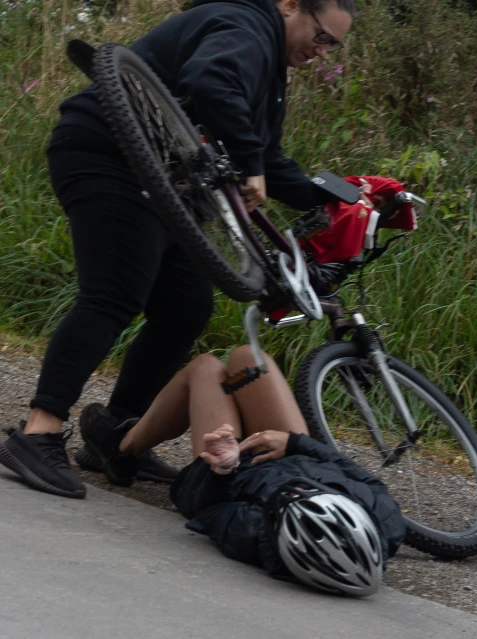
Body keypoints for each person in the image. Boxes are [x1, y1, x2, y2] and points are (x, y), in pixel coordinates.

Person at [0, 0, 355, 498]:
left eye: (333, 46)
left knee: (185, 307)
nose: (322, 52)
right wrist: (250, 160)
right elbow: (211, 82)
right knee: (114, 293)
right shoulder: (245, 26)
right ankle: (39, 430)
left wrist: (340, 197)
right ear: (290, 5)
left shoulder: (270, 72)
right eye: (322, 37)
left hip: (164, 183)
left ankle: (114, 434)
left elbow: (267, 158)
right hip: (109, 155)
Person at [80, 346, 405, 595]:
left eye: (293, 499)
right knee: (248, 359)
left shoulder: (254, 535)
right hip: (286, 448)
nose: (301, 488)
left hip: (234, 465)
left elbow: (204, 509)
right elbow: (350, 469)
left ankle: (122, 450)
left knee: (206, 367)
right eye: (313, 492)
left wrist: (224, 467)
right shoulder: (385, 521)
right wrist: (294, 443)